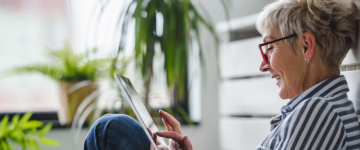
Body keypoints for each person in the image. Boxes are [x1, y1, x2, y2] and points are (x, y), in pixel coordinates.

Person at [83, 0, 360, 149]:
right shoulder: (315, 110)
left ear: (305, 46)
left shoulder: (319, 113)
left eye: (269, 47)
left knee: (111, 129)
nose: (263, 65)